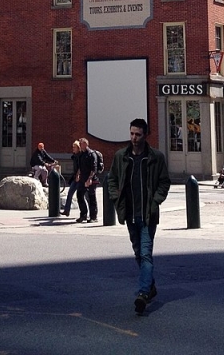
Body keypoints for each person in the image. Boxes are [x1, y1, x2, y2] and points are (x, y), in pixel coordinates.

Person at [106, 118, 170, 315]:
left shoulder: (155, 157)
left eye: (138, 134)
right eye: (132, 133)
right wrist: (116, 198)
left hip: (147, 214)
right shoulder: (120, 156)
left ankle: (143, 294)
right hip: (129, 214)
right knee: (137, 253)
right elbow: (112, 180)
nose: (134, 138)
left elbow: (164, 182)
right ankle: (150, 286)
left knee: (145, 253)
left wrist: (155, 201)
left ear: (145, 135)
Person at [75, 138, 99, 223]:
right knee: (79, 195)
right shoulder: (81, 154)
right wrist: (78, 175)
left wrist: (89, 179)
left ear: (85, 144)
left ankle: (93, 217)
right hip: (82, 179)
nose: (79, 145)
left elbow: (94, 168)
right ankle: (83, 215)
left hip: (91, 180)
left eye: (81, 144)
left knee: (91, 197)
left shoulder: (91, 154)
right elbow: (80, 167)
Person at [61, 141, 81, 217]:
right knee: (70, 193)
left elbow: (81, 167)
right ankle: (67, 210)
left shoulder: (80, 156)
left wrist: (78, 175)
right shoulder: (75, 156)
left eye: (74, 147)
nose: (73, 149)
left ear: (78, 148)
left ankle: (87, 212)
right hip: (75, 178)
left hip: (80, 178)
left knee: (82, 196)